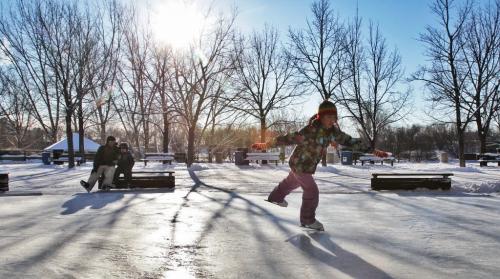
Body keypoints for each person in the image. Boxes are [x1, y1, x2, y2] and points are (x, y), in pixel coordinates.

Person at [259, 100, 387, 231]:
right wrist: (267, 144)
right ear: (320, 117)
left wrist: (373, 150)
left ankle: (275, 197)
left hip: (304, 166)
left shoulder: (333, 132)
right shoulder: (310, 130)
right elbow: (290, 138)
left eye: (334, 117)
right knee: (312, 190)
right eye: (328, 117)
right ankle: (307, 220)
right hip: (300, 164)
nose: (332, 120)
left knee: (291, 182)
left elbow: (351, 141)